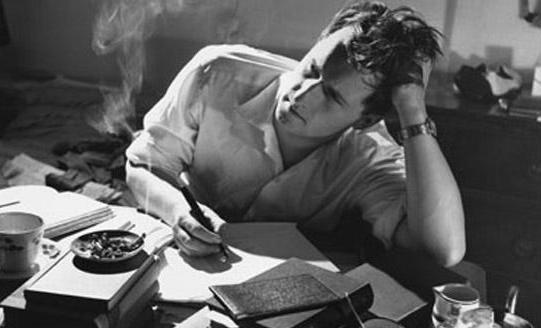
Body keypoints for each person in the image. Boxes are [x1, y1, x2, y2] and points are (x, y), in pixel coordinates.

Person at [125, 1, 465, 267]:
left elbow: (443, 249)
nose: (301, 95)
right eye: (312, 70)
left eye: (332, 96)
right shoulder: (217, 71)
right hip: (178, 256)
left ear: (365, 120)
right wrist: (177, 212)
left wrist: (412, 111)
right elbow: (142, 166)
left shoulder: (370, 155)